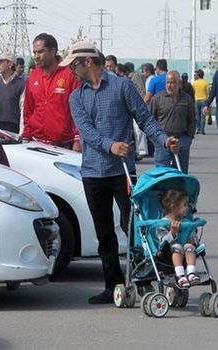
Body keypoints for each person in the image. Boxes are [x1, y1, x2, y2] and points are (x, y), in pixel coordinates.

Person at [62, 40, 179, 304]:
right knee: (104, 230)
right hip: (93, 172)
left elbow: (145, 119)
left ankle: (146, 279)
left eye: (74, 65)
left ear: (88, 62)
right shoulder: (76, 96)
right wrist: (110, 145)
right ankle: (113, 284)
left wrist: (164, 140)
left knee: (135, 225)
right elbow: (87, 131)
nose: (71, 71)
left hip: (123, 171)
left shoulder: (122, 86)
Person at [21, 33, 81, 151]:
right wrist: (26, 135)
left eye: (40, 52)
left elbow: (79, 109)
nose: (36, 56)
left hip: (65, 145)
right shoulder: (33, 76)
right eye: (34, 52)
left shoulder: (69, 74)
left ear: (53, 51)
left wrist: (78, 139)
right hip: (36, 142)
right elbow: (28, 109)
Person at [150, 71, 196, 173]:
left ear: (179, 83)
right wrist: (156, 141)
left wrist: (189, 138)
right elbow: (150, 122)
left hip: (181, 141)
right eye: (167, 82)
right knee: (162, 175)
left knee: (180, 174)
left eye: (172, 82)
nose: (169, 85)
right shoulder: (157, 99)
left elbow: (192, 119)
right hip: (162, 142)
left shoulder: (187, 99)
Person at [157, 189, 200, 288]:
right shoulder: (163, 223)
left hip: (186, 251)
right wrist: (172, 232)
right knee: (177, 247)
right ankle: (180, 274)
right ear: (174, 207)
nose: (187, 208)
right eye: (185, 205)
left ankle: (191, 273)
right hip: (168, 253)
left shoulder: (186, 221)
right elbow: (163, 241)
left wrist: (192, 239)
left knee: (190, 246)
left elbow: (192, 233)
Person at [0, 53, 26, 133]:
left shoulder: (21, 84)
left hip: (13, 128)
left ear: (10, 64)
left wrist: (22, 133)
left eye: (1, 62)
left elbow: (23, 110)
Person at [192, 69, 210, 134]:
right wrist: (208, 102)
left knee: (197, 115)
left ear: (198, 75)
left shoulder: (195, 83)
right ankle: (202, 129)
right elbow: (208, 93)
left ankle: (198, 129)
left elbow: (193, 92)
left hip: (196, 100)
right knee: (203, 116)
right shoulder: (206, 83)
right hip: (204, 100)